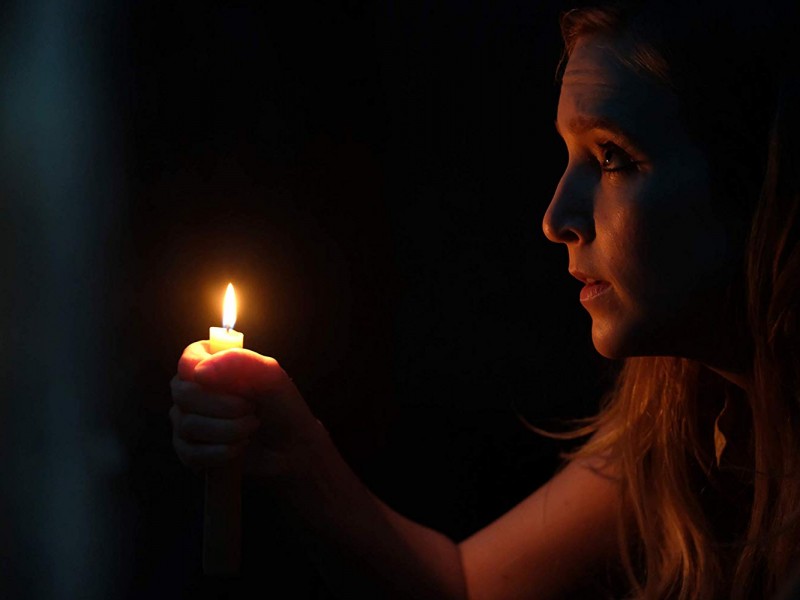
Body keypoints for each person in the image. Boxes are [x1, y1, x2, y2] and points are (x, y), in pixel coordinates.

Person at [169, 1, 800, 597]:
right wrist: (297, 456)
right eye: (569, 156)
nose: (555, 219)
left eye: (612, 157)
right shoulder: (680, 414)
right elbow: (467, 585)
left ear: (760, 178)